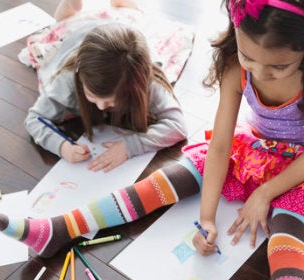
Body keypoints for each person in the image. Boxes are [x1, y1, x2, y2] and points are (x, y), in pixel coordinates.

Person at [0, 0, 304, 280]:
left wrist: (264, 194)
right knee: (165, 181)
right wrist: (206, 218)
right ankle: (59, 229)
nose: (258, 73)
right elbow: (220, 145)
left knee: (288, 237)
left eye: (278, 68)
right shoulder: (236, 63)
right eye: (249, 58)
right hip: (254, 149)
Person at [23, 0, 186, 172]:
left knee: (130, 15)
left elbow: (178, 126)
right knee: (64, 21)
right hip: (78, 35)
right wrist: (62, 146)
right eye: (92, 96)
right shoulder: (68, 79)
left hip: (122, 35)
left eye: (111, 102)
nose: (101, 106)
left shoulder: (145, 81)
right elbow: (34, 119)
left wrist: (130, 146)